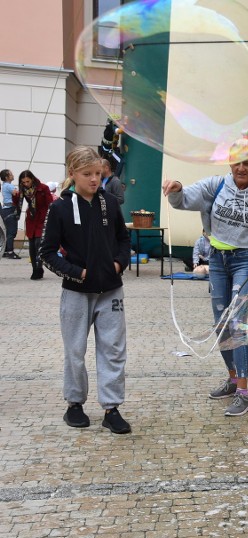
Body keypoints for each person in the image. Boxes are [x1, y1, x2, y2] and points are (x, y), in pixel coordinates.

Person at [162, 143, 248, 417]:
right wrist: (177, 187)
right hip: (217, 260)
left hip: (246, 260)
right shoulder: (215, 186)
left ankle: (244, 393)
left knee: (237, 324)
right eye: (236, 162)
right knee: (220, 325)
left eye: (247, 163)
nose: (241, 168)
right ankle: (232, 379)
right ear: (230, 164)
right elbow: (184, 198)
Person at [40, 146, 132, 434]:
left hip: (110, 291)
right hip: (77, 293)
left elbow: (123, 240)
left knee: (113, 350)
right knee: (75, 351)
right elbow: (47, 252)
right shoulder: (60, 208)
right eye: (87, 174)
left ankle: (111, 408)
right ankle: (75, 404)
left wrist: (118, 264)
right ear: (72, 174)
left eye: (98, 173)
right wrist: (77, 272)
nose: (95, 179)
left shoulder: (110, 203)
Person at [18, 170, 53, 280]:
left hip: (42, 217)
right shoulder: (23, 189)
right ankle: (34, 268)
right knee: (32, 245)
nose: (26, 184)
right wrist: (15, 195)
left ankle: (39, 268)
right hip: (31, 218)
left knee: (38, 243)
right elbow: (18, 203)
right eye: (23, 182)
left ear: (32, 179)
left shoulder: (43, 188)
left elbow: (50, 203)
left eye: (27, 181)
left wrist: (50, 218)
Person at [1, 169, 21, 259]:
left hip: (6, 210)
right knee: (11, 232)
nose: (13, 175)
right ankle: (10, 252)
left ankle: (6, 250)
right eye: (11, 174)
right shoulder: (9, 186)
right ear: (6, 177)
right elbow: (17, 194)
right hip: (10, 210)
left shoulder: (4, 185)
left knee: (8, 231)